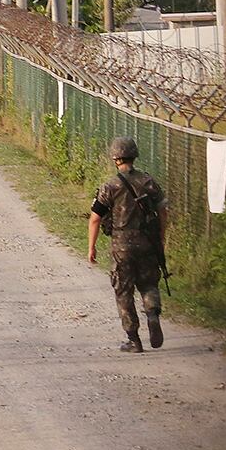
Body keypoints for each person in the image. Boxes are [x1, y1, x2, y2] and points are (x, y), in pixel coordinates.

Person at [88, 136, 168, 352]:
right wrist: (160, 238)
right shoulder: (149, 182)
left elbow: (95, 218)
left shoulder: (110, 186)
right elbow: (162, 212)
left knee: (123, 290)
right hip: (148, 243)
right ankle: (152, 313)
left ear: (115, 158)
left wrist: (91, 247)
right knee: (149, 283)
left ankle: (134, 340)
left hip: (122, 247)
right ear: (134, 155)